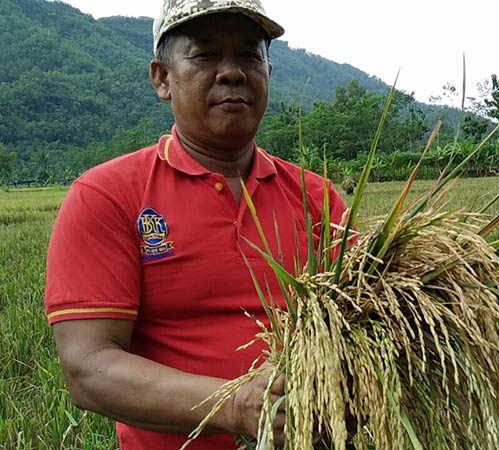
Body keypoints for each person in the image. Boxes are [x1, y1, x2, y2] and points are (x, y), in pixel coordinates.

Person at [44, 1, 347, 449]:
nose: (232, 73)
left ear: (267, 72)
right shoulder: (108, 195)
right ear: (163, 78)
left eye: (249, 55)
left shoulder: (317, 198)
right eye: (205, 55)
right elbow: (89, 367)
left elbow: (373, 322)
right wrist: (236, 406)